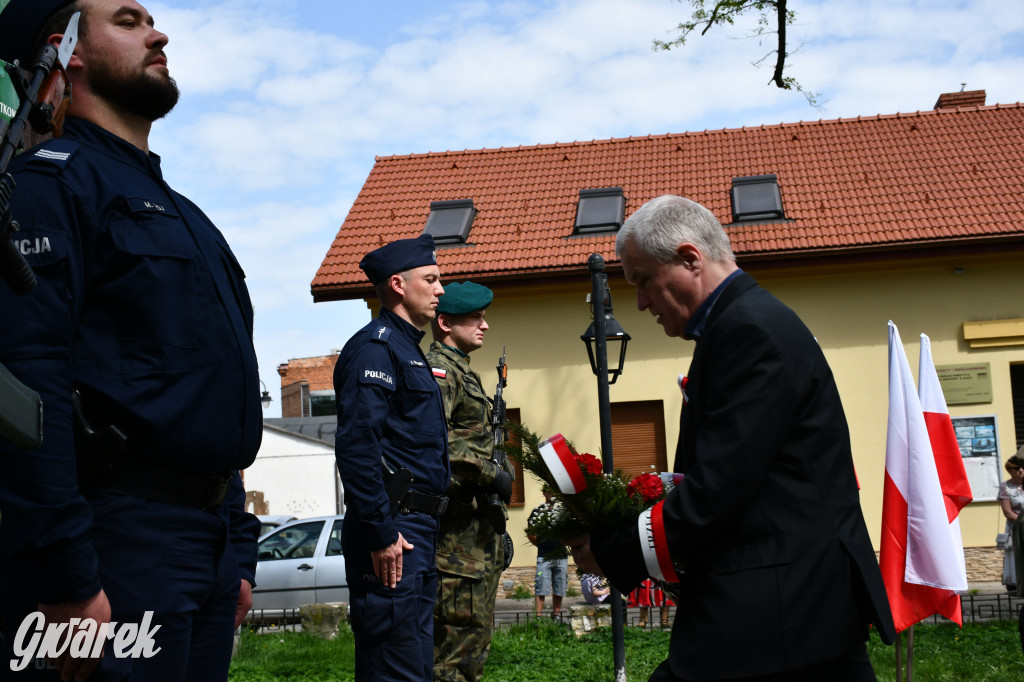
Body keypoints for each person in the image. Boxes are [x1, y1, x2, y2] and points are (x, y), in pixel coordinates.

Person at [0, 1, 263, 679]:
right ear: (67, 52)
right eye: (127, 19)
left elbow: (205, 396)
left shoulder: (188, 216)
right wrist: (67, 575)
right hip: (116, 545)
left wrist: (233, 552)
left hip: (201, 550)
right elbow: (28, 383)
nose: (159, 31)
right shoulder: (46, 188)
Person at [567, 195, 895, 681]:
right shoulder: (738, 326)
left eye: (642, 281)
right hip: (784, 612)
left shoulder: (748, 331)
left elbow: (720, 485)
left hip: (781, 609)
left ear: (689, 259)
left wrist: (614, 550)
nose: (640, 302)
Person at [333, 233, 451, 681]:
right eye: (432, 279)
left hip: (415, 531)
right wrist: (381, 532)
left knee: (415, 668)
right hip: (393, 533)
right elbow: (359, 445)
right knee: (394, 670)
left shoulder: (407, 350)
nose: (441, 290)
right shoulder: (376, 348)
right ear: (399, 285)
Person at [426, 281, 513, 682]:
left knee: (473, 651)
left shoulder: (463, 371)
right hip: (456, 545)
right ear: (444, 323)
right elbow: (433, 444)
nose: (485, 326)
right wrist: (491, 472)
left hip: (474, 539)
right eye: (475, 318)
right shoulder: (441, 373)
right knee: (453, 660)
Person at [527, 493, 568, 618]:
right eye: (549, 491)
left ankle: (556, 615)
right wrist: (541, 544)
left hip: (561, 556)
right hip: (544, 556)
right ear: (544, 493)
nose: (552, 494)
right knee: (541, 587)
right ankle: (538, 617)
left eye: (554, 491)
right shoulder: (537, 512)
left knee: (559, 586)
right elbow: (531, 533)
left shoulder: (562, 512)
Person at [998, 451, 1024, 592]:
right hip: (1017, 527)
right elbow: (1007, 512)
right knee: (1017, 554)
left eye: (1022, 467)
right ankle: (1016, 583)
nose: (1021, 470)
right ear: (1010, 470)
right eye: (1017, 468)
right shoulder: (1006, 487)